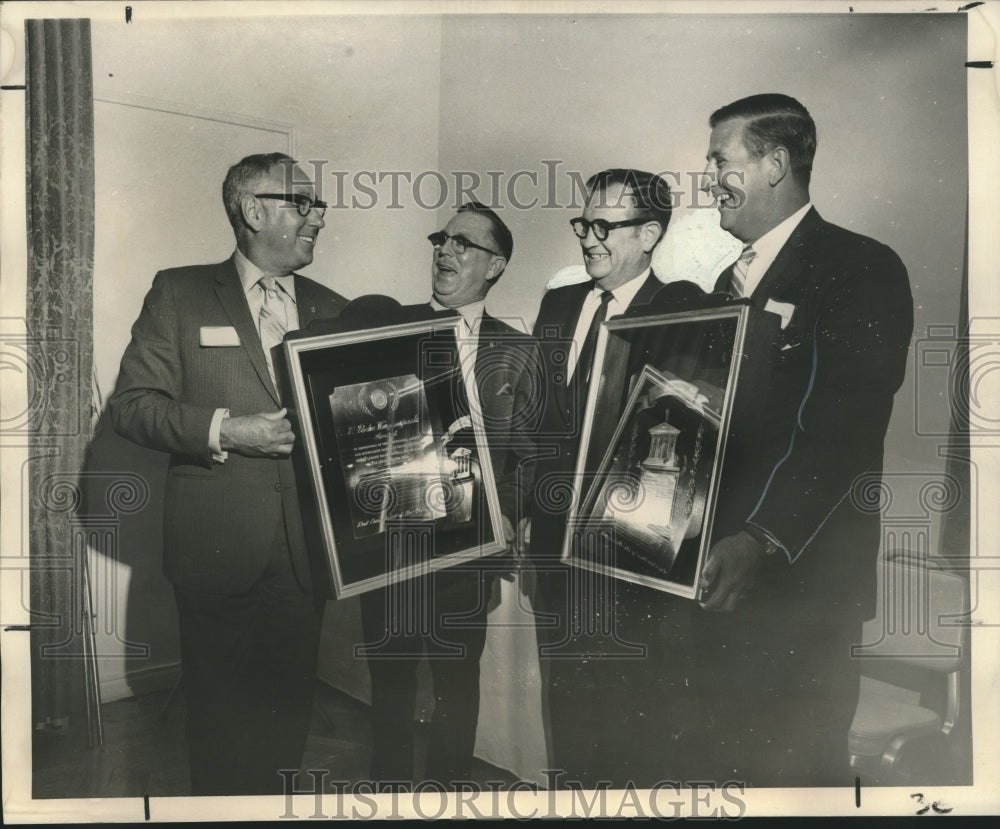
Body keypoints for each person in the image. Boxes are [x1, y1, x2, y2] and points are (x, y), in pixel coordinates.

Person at [108, 152, 348, 795]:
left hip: (305, 555)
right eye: (304, 203)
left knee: (287, 717)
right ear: (253, 209)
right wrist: (227, 429)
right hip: (216, 549)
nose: (318, 219)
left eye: (317, 205)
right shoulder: (180, 293)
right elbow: (132, 407)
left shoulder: (335, 308)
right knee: (217, 724)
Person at [694, 93, 914, 786]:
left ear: (775, 164)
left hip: (800, 597)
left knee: (791, 786)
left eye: (720, 161)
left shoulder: (860, 268)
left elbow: (841, 431)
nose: (708, 180)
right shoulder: (721, 285)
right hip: (720, 584)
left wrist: (759, 538)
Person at [525, 169, 704, 787]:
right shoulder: (559, 304)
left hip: (630, 560)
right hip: (555, 549)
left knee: (628, 726)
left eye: (606, 225)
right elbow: (540, 420)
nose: (589, 238)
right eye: (584, 223)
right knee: (567, 716)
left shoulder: (681, 310)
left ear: (651, 233)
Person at [358, 202, 539, 789]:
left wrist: (508, 513)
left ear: (496, 265)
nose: (445, 251)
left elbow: (527, 450)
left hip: (469, 552)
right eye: (442, 239)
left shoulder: (519, 349)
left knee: (457, 685)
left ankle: (447, 800)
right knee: (390, 682)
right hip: (393, 545)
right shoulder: (386, 330)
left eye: (465, 244)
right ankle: (385, 799)